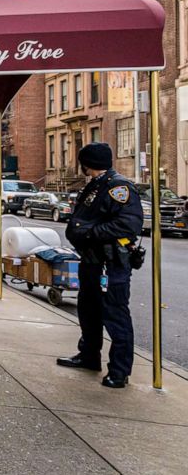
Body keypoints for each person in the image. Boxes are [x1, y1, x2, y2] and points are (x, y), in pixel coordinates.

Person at [58, 142, 143, 389]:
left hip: (111, 263)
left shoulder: (119, 188)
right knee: (89, 311)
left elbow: (129, 225)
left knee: (115, 316)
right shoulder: (96, 185)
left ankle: (119, 371)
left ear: (87, 163)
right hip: (92, 261)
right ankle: (89, 355)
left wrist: (90, 232)